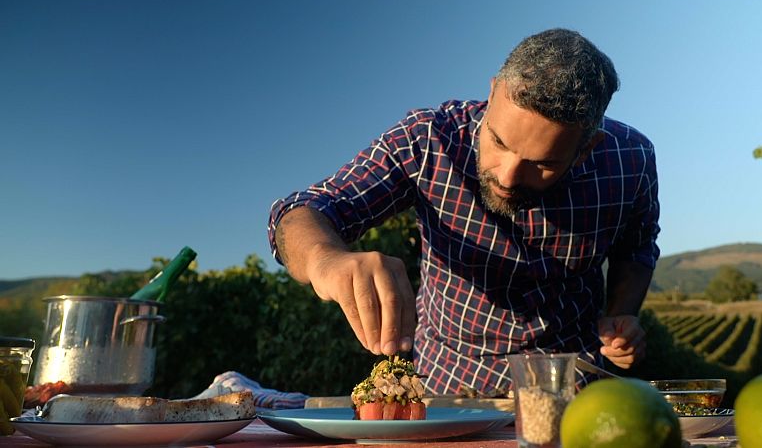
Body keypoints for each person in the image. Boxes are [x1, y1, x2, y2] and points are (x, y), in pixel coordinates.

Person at [268, 28, 660, 393]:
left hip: (569, 385)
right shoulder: (428, 139)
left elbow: (637, 248)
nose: (508, 176)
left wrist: (622, 315)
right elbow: (303, 210)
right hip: (449, 385)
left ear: (587, 148)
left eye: (542, 164)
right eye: (499, 142)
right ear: (492, 94)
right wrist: (324, 260)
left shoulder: (631, 160)